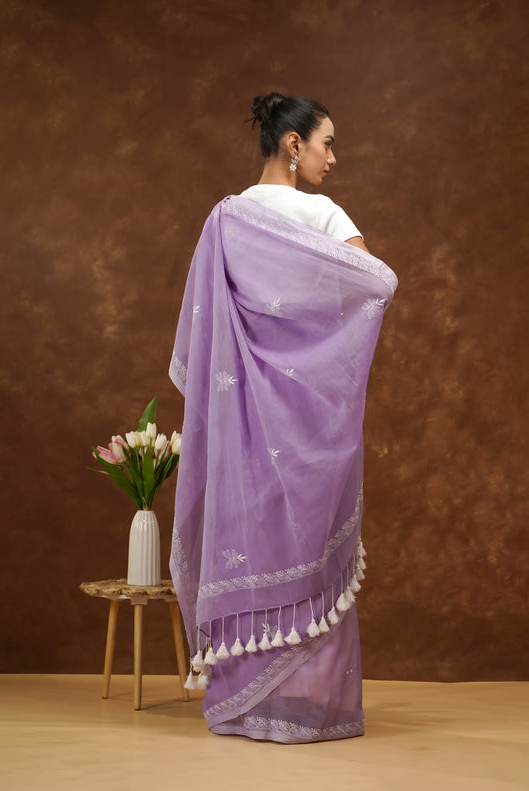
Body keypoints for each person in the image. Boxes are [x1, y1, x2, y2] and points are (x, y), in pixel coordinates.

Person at [169, 93, 397, 743]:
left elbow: (208, 332)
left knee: (254, 541)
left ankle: (247, 707)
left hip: (243, 423)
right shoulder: (322, 215)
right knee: (303, 548)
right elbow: (375, 283)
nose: (333, 157)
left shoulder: (227, 221)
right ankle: (312, 708)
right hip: (307, 422)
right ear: (293, 145)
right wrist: (311, 346)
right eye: (327, 142)